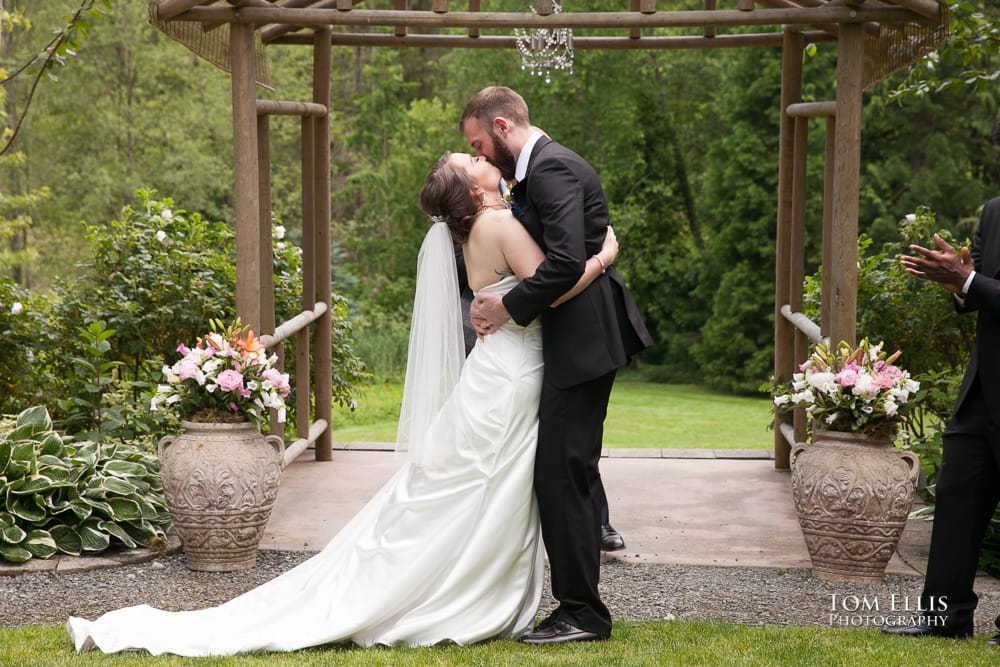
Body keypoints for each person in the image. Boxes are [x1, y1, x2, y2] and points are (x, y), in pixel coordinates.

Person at [64, 152, 619, 656]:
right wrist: (603, 256)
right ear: (473, 193)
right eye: (469, 160)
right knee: (486, 485)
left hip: (497, 371)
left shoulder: (478, 228)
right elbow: (552, 282)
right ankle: (458, 589)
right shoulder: (498, 222)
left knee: (478, 486)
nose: (480, 156)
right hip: (514, 373)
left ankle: (465, 576)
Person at [460, 86, 653, 645]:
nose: (481, 155)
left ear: (500, 126)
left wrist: (507, 306)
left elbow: (567, 262)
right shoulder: (536, 171)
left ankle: (583, 615)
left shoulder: (551, 169)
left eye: (478, 143)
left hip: (582, 343)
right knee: (565, 472)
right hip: (570, 339)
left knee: (563, 474)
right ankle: (577, 607)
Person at [883, 120, 1000, 644]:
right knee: (955, 502)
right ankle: (943, 619)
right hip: (982, 390)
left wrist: (970, 280)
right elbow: (976, 291)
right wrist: (959, 283)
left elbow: (982, 284)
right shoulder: (995, 212)